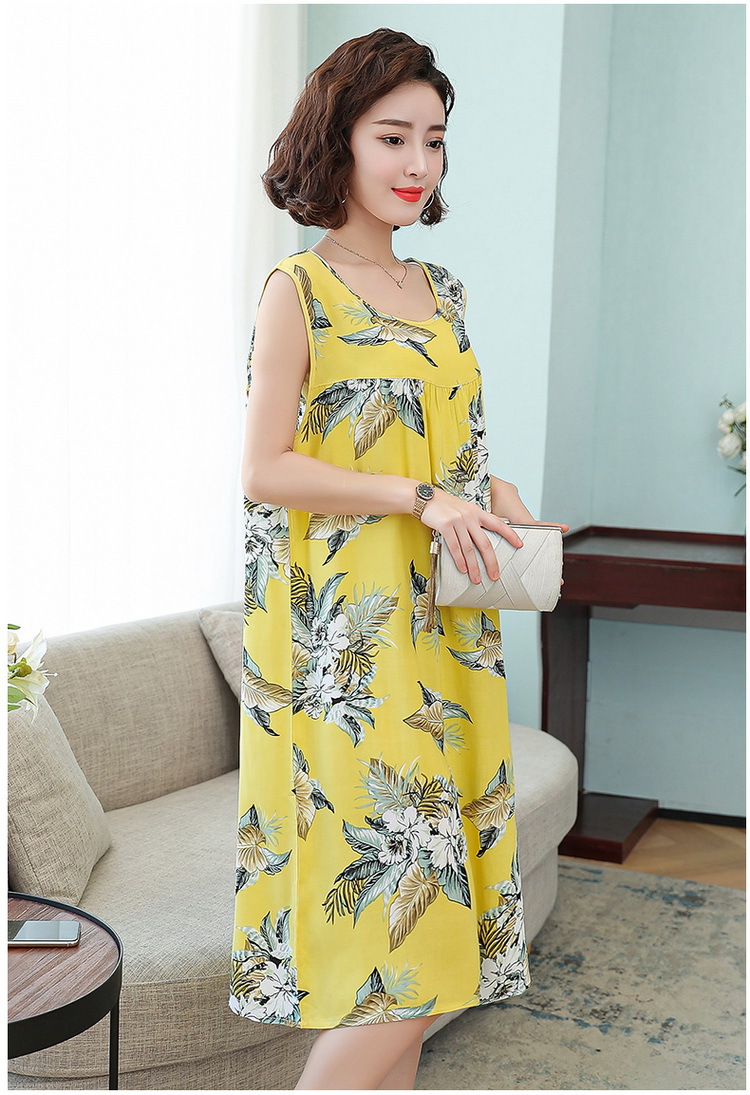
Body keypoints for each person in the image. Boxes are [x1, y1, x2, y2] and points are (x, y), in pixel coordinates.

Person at [230, 27, 569, 1091]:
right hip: (352, 649)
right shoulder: (298, 289)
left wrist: (488, 490)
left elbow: (445, 443)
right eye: (393, 137)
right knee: (403, 954)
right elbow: (265, 469)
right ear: (339, 138)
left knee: (434, 946)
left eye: (435, 139)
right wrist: (416, 497)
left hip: (450, 632)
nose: (419, 162)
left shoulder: (444, 292)